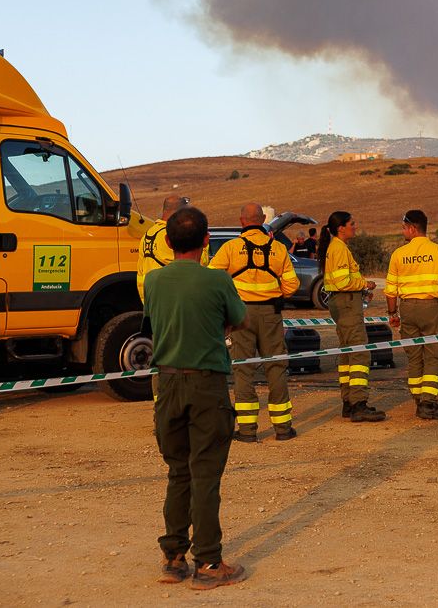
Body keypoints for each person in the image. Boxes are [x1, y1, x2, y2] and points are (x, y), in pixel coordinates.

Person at [146, 206, 247, 590]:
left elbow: (154, 321)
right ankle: (208, 563)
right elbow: (241, 319)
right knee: (205, 473)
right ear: (207, 240)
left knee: (178, 472)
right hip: (207, 386)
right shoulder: (218, 281)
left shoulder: (154, 281)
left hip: (167, 386)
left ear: (168, 242)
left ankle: (174, 558)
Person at [209, 202, 300, 442]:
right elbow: (292, 285)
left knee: (243, 368)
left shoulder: (231, 247)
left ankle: (248, 430)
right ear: (261, 220)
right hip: (271, 314)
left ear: (241, 221)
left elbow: (213, 278)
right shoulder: (278, 249)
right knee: (276, 366)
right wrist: (274, 292)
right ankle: (283, 428)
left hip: (240, 316)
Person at [386, 209, 438, 420]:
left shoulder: (398, 254)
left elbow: (391, 290)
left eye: (404, 227)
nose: (403, 231)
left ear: (413, 228)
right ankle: (428, 402)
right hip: (431, 308)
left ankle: (418, 399)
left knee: (414, 356)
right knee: (434, 355)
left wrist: (392, 313)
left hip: (407, 308)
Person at [317, 211, 384, 422]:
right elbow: (342, 282)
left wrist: (362, 291)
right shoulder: (338, 248)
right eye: (352, 224)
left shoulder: (336, 248)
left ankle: (348, 402)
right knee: (359, 354)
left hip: (344, 302)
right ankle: (358, 404)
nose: (355, 227)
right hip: (346, 303)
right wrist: (365, 284)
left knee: (347, 354)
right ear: (341, 228)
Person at [137, 194, 205, 304]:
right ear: (180, 213)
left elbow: (140, 270)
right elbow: (196, 264)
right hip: (173, 299)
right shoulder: (174, 233)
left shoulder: (147, 234)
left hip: (150, 299)